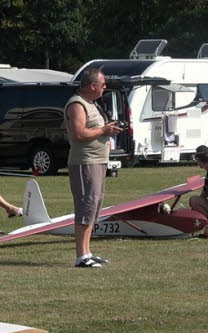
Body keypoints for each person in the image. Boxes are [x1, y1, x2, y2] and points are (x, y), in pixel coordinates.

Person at [64, 68, 121, 268]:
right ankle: (81, 256)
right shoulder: (77, 104)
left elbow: (92, 130)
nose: (105, 88)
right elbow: (78, 134)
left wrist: (107, 130)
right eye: (102, 84)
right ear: (91, 86)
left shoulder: (90, 103)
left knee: (93, 208)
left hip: (96, 162)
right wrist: (104, 130)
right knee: (85, 206)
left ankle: (87, 252)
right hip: (85, 163)